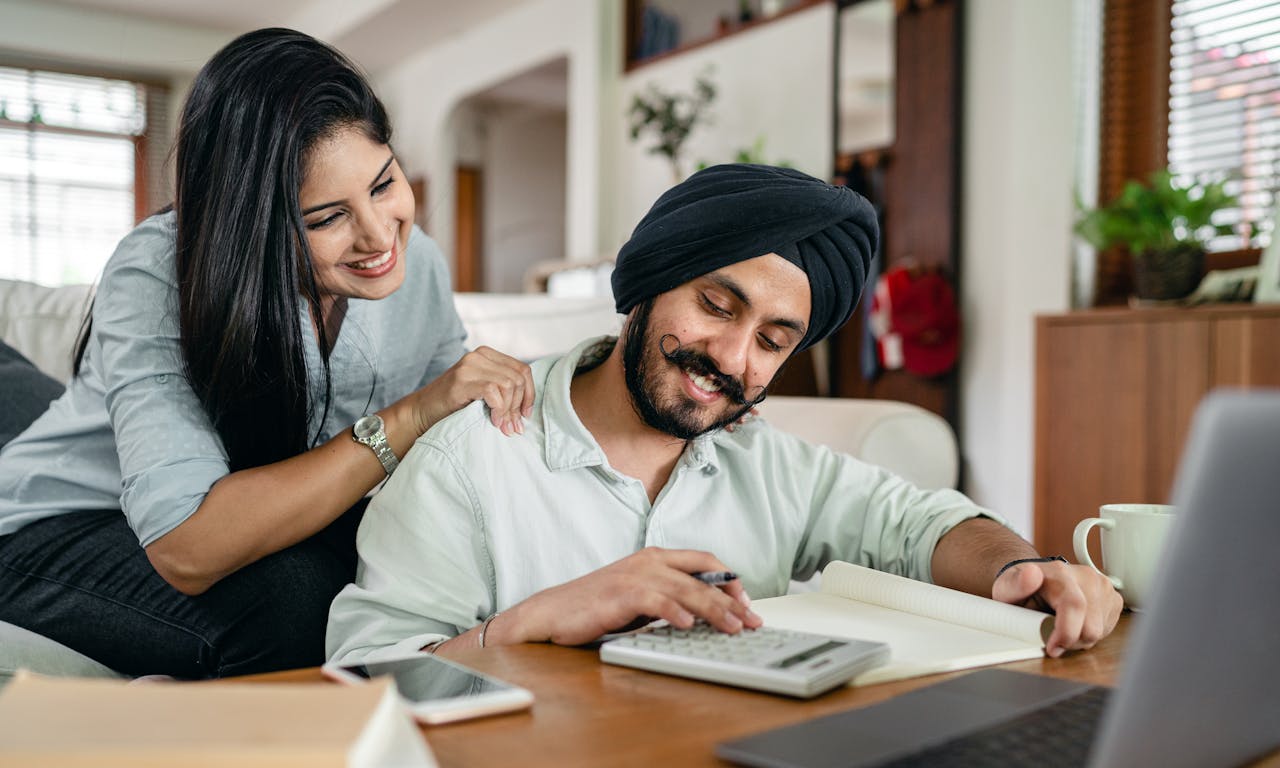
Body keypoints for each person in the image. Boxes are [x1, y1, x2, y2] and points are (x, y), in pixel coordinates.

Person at [325, 164, 1123, 666]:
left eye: (773, 340)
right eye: (716, 304)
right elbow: (368, 676)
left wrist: (1023, 567)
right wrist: (538, 618)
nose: (735, 357)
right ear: (646, 286)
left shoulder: (762, 459)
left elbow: (917, 522)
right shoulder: (469, 458)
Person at [0, 28, 534, 679]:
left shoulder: (413, 260)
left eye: (384, 182)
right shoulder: (159, 269)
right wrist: (412, 414)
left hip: (97, 434)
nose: (378, 235)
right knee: (294, 601)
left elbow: (453, 453)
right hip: (68, 515)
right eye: (326, 217)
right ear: (252, 224)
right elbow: (188, 545)